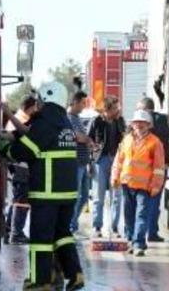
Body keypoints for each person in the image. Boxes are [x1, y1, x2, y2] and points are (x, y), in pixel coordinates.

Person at [0, 82, 85, 290]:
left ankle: (39, 281)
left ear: (47, 97)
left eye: (39, 99)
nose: (36, 103)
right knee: (62, 234)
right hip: (66, 193)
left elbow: (25, 151)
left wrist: (5, 148)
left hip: (48, 192)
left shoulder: (46, 121)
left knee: (40, 239)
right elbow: (34, 136)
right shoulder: (63, 121)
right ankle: (75, 275)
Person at [111, 109, 165, 256]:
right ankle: (130, 240)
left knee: (141, 215)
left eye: (142, 123)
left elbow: (159, 167)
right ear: (132, 124)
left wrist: (156, 185)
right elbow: (119, 159)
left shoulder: (155, 142)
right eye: (136, 122)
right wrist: (115, 176)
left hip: (144, 186)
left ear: (148, 125)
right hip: (127, 183)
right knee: (128, 214)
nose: (139, 125)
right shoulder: (127, 139)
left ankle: (139, 243)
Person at [87, 95, 126, 238]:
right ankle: (97, 227)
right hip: (100, 160)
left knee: (117, 196)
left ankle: (115, 228)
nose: (118, 110)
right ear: (107, 108)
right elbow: (88, 138)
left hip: (116, 160)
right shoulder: (96, 121)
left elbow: (126, 137)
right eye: (115, 107)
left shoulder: (120, 121)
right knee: (99, 196)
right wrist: (91, 158)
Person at [3, 95, 39, 245]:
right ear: (29, 107)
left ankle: (10, 230)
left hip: (17, 164)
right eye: (35, 107)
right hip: (21, 165)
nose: (36, 110)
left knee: (17, 200)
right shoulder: (21, 120)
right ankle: (16, 233)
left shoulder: (18, 117)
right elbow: (22, 135)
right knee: (22, 200)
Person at [137, 96, 169, 243]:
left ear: (145, 109)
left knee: (142, 201)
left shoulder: (140, 122)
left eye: (139, 109)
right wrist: (167, 162)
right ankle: (152, 232)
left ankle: (139, 233)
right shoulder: (163, 121)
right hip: (160, 167)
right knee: (154, 201)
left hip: (143, 168)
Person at [67, 90, 96, 234]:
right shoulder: (68, 118)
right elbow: (78, 137)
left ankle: (73, 222)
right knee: (76, 195)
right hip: (75, 163)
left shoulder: (77, 117)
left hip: (83, 163)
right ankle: (71, 225)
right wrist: (88, 140)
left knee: (84, 196)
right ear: (75, 102)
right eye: (83, 103)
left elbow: (82, 136)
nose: (84, 106)